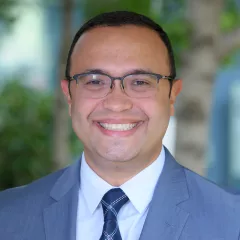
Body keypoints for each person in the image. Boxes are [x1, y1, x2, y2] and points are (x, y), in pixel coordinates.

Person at [0, 11, 239, 240]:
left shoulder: (232, 221)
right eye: (94, 81)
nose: (116, 103)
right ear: (69, 95)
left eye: (140, 82)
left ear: (172, 95)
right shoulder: (7, 217)